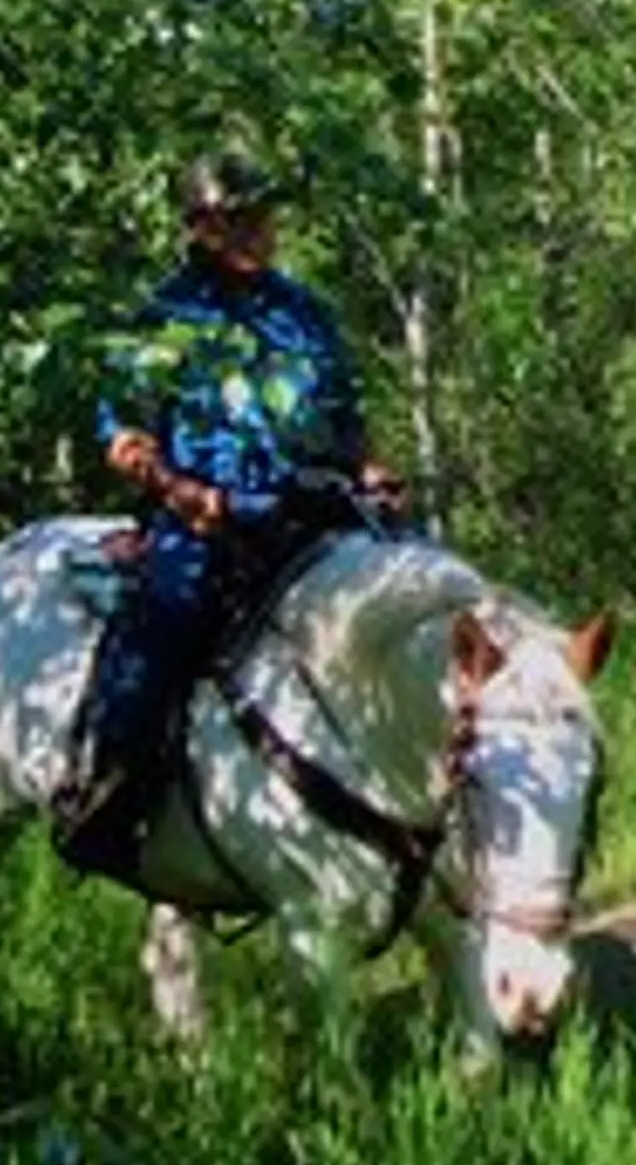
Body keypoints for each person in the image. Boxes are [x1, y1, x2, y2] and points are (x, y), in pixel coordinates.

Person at [52, 149, 406, 885]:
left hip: (307, 509)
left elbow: (344, 419)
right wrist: (178, 490)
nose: (257, 229)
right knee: (165, 616)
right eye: (237, 218)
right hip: (206, 515)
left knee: (417, 582)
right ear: (199, 227)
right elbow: (122, 436)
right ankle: (108, 794)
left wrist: (371, 471)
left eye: (261, 214)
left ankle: (444, 792)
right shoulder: (165, 315)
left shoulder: (304, 311)